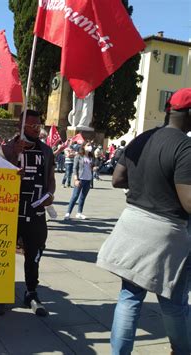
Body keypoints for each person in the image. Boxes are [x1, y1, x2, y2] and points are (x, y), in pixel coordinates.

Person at [97, 88, 191, 355]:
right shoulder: (185, 147)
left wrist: (145, 185)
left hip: (133, 224)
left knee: (129, 297)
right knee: (174, 301)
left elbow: (117, 179)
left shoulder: (143, 138)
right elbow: (188, 202)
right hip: (167, 233)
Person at [0, 110, 56, 317]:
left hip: (36, 213)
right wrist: (14, 157)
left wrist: (50, 194)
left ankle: (31, 292)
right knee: (3, 255)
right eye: (32, 125)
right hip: (10, 212)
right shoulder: (5, 150)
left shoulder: (46, 151)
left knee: (34, 256)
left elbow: (50, 179)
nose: (37, 129)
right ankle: (1, 294)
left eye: (38, 125)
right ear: (20, 127)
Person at [64, 142, 94, 220]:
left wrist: (93, 168)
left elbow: (91, 167)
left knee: (83, 197)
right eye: (88, 145)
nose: (90, 147)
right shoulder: (78, 156)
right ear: (83, 147)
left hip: (88, 179)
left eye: (90, 145)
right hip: (80, 179)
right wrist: (76, 179)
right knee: (75, 196)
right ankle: (68, 213)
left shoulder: (91, 157)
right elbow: (75, 168)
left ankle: (79, 213)